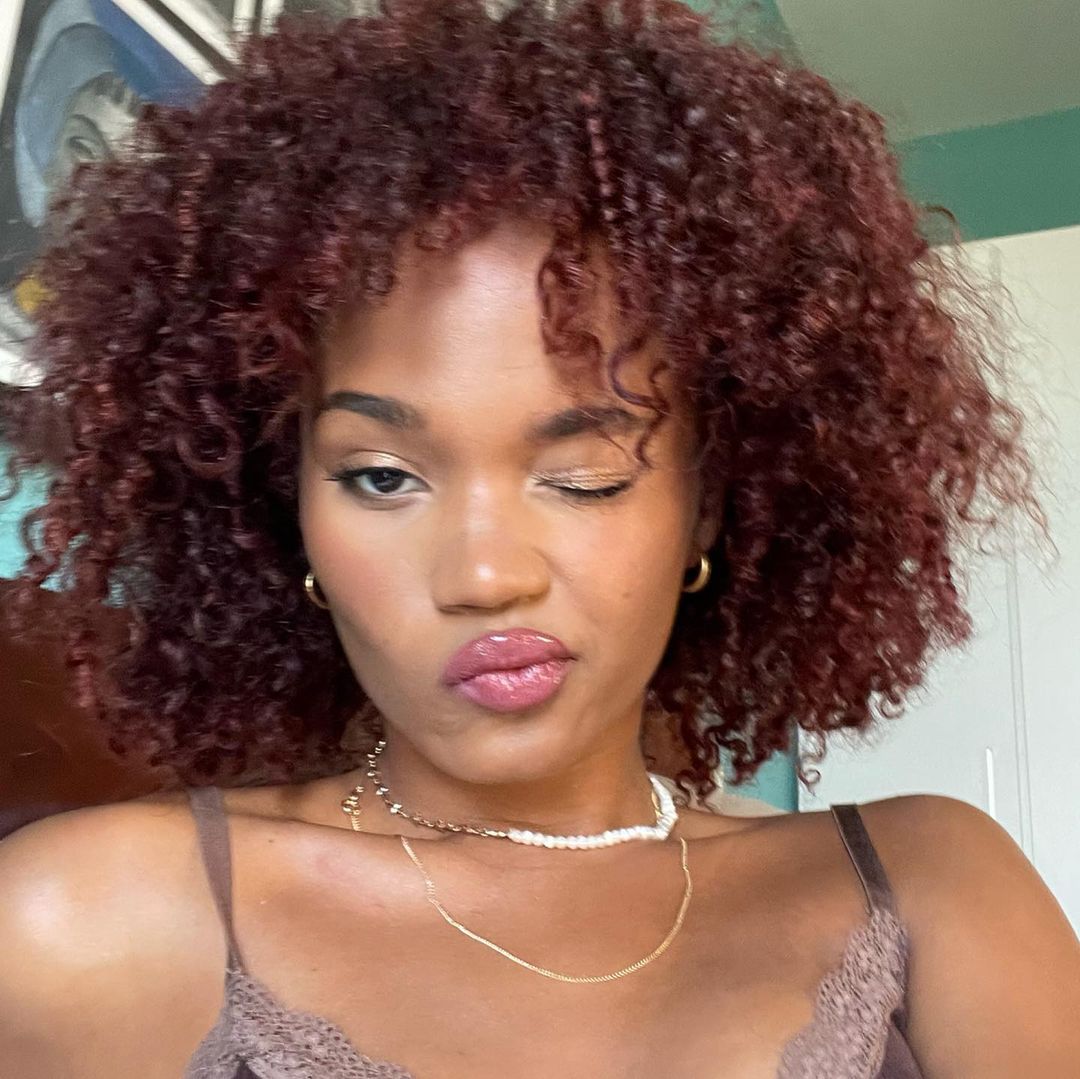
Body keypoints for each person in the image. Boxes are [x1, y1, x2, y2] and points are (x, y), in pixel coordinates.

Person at [1, 1, 1078, 1076]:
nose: (484, 575)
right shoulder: (86, 923)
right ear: (290, 517)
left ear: (706, 508)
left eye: (584, 476)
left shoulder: (928, 889)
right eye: (381, 477)